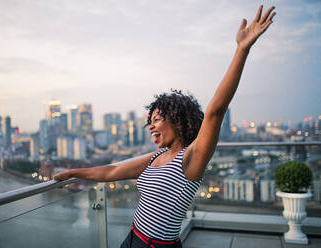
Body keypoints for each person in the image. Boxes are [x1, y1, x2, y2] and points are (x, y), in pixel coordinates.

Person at [53, 5, 276, 248]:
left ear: (178, 121)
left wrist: (241, 49)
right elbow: (112, 172)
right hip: (133, 238)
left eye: (157, 120)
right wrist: (74, 173)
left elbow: (215, 112)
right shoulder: (156, 157)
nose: (151, 127)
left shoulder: (190, 160)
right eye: (150, 122)